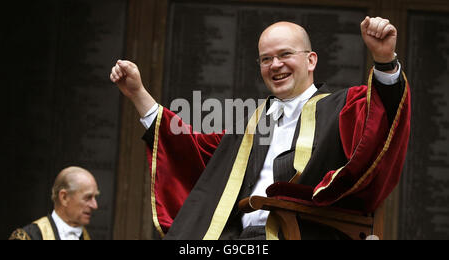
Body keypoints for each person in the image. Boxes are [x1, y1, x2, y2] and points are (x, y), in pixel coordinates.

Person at [110, 16, 410, 239]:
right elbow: (194, 150)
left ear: (311, 60)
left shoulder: (344, 107)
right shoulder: (250, 124)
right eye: (266, 59)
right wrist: (139, 94)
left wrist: (384, 60)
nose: (275, 65)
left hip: (306, 232)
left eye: (285, 55)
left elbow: (383, 116)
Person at [9, 166, 100, 240]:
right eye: (88, 198)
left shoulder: (91, 236)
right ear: (64, 197)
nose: (95, 205)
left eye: (95, 197)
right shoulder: (28, 237)